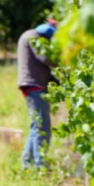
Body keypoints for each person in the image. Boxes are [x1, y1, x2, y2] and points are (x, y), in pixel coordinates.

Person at [17, 19, 59, 169]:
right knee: (42, 127)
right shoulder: (33, 37)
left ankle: (27, 163)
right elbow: (45, 58)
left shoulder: (30, 35)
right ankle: (39, 165)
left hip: (32, 85)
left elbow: (42, 67)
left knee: (37, 126)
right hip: (34, 86)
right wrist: (63, 62)